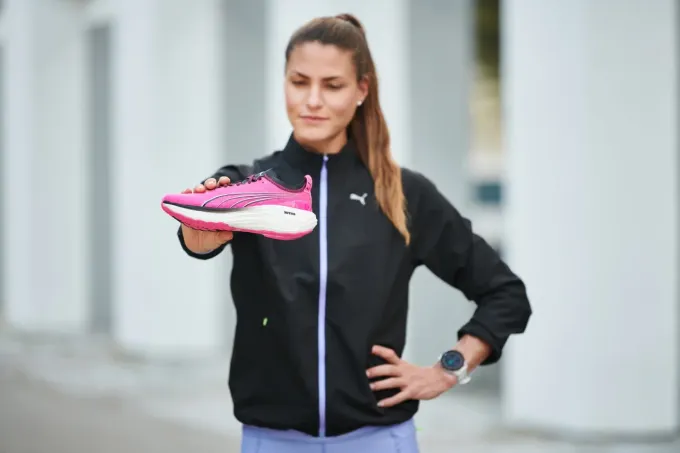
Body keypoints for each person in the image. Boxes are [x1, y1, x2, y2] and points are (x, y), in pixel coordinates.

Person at [176, 13, 531, 453]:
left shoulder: (403, 195)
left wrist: (448, 369)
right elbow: (199, 233)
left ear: (361, 89)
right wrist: (198, 236)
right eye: (299, 82)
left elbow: (505, 293)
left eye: (332, 85)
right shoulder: (248, 186)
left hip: (379, 440)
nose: (312, 100)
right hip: (272, 441)